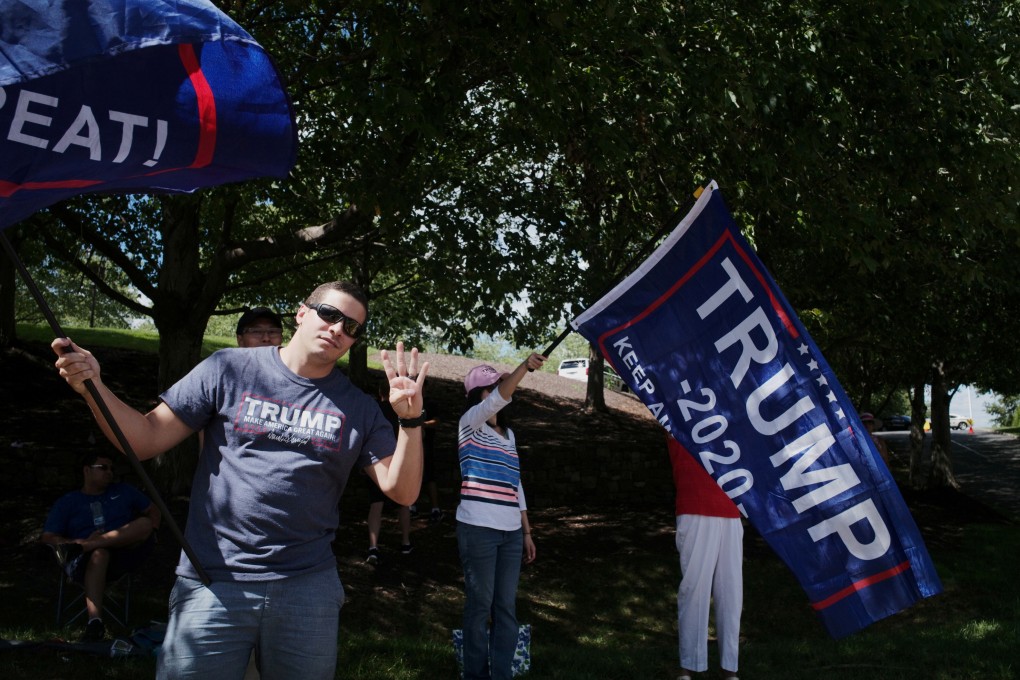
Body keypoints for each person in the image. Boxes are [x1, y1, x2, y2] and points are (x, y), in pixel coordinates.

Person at [51, 281, 428, 680]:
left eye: (351, 327)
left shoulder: (359, 407)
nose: (338, 329)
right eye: (330, 314)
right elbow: (143, 439)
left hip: (307, 587)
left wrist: (410, 421)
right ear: (301, 313)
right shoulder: (228, 368)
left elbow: (401, 491)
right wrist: (92, 387)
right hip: (213, 580)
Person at [456, 353, 543, 680]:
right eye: (491, 388)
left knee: (506, 608)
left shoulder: (510, 436)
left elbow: (515, 483)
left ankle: (502, 674)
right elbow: (499, 398)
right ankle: (476, 675)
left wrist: (526, 531)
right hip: (477, 528)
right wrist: (524, 367)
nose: (500, 394)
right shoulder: (470, 424)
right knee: (479, 608)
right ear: (479, 396)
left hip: (509, 533)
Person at [41, 451, 160, 642]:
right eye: (103, 467)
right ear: (87, 470)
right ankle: (95, 622)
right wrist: (75, 544)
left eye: (112, 468)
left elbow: (153, 511)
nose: (110, 472)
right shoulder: (69, 502)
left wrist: (154, 529)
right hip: (83, 562)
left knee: (145, 524)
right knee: (99, 554)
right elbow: (48, 537)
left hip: (124, 555)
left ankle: (90, 545)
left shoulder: (124, 491)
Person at [667, 435, 742, 680]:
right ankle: (689, 667)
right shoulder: (676, 407)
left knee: (731, 592)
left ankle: (730, 668)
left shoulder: (731, 411)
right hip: (694, 505)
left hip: (731, 510)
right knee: (694, 589)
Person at [366, 381, 413, 563]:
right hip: (399, 461)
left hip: (376, 461)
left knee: (376, 504)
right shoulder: (401, 410)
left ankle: (373, 547)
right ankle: (406, 542)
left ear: (380, 391)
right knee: (404, 502)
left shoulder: (374, 408)